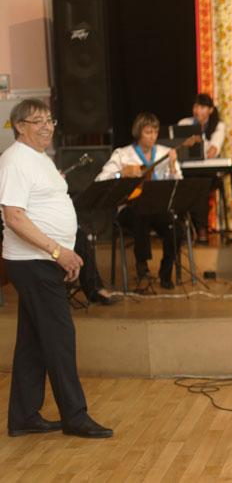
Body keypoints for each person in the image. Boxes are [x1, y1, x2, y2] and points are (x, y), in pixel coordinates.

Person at [0, 98, 112, 438]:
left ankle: (23, 416)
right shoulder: (15, 160)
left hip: (44, 260)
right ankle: (75, 416)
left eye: (50, 120)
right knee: (60, 338)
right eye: (38, 121)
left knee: (33, 340)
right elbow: (14, 216)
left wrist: (65, 251)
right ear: (20, 126)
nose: (47, 126)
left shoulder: (40, 157)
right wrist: (56, 251)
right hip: (33, 262)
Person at [95, 112, 182, 289]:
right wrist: (121, 173)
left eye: (155, 132)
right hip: (129, 209)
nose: (153, 136)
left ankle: (166, 273)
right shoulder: (122, 154)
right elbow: (100, 180)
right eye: (148, 132)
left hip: (158, 208)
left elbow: (177, 185)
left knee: (175, 227)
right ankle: (142, 267)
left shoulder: (166, 153)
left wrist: (172, 166)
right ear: (138, 132)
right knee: (141, 213)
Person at [178, 93, 227, 243]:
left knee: (202, 184)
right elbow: (177, 148)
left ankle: (201, 228)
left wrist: (200, 141)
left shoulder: (218, 126)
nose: (197, 110)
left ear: (210, 110)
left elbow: (212, 152)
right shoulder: (184, 123)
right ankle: (185, 226)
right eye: (196, 106)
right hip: (187, 170)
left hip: (208, 172)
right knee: (183, 183)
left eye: (202, 107)